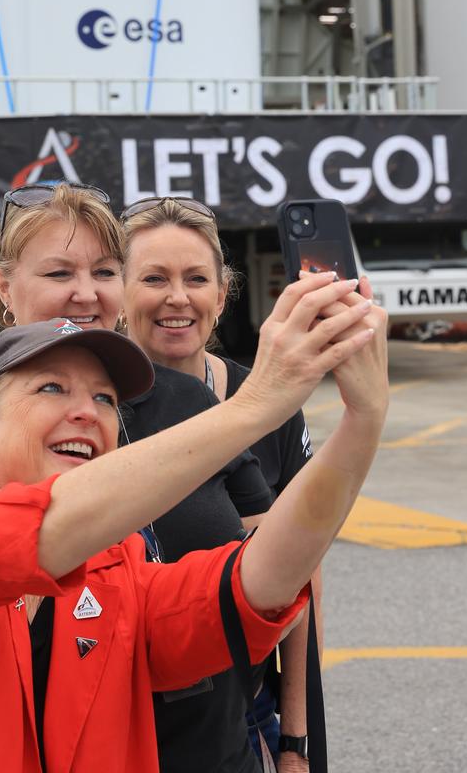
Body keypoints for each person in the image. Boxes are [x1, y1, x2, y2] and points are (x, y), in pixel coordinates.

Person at [0, 276, 387, 772]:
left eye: (106, 399)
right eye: (51, 388)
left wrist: (362, 425)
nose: (88, 412)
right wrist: (256, 407)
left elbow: (256, 583)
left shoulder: (117, 570)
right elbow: (24, 534)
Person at [121, 196, 332, 769]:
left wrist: (295, 741)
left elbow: (300, 575)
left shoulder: (270, 406)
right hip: (125, 712)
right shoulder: (93, 410)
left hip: (246, 712)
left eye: (196, 279)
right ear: (119, 292)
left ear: (221, 294)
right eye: (154, 279)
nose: (177, 298)